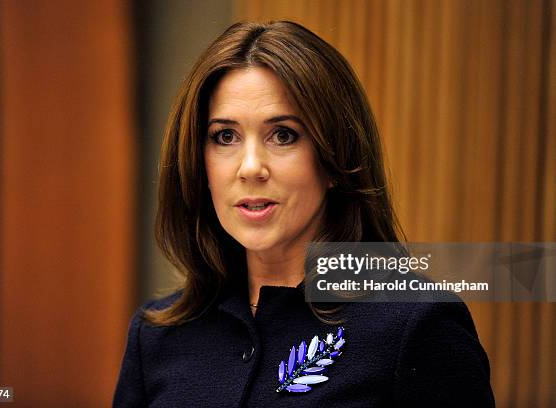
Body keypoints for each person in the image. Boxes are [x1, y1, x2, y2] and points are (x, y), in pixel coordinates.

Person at [113, 21, 495, 407]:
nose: (250, 168)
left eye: (283, 135)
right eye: (225, 136)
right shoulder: (156, 335)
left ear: (334, 159)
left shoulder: (417, 327)